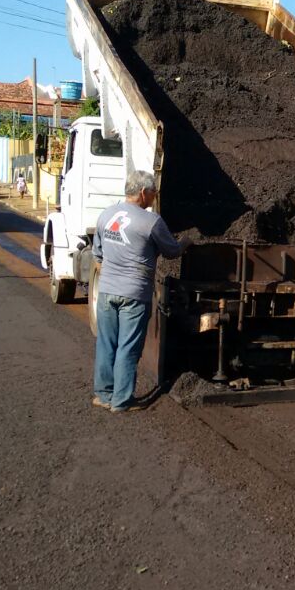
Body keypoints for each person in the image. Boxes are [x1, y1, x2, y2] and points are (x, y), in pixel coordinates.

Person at [91, 171, 190, 413]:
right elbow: (171, 252)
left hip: (106, 292)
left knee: (106, 343)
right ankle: (121, 401)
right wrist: (186, 242)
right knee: (128, 346)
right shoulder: (151, 221)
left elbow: (97, 256)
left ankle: (103, 395)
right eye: (154, 192)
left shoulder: (106, 214)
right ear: (144, 192)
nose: (155, 196)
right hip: (134, 294)